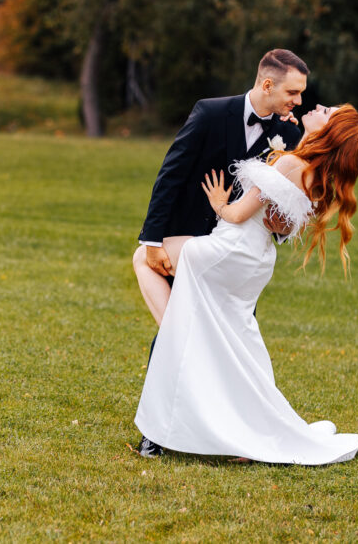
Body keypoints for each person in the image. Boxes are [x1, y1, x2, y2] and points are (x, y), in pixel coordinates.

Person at [133, 103, 358, 465]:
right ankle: (249, 421)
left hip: (230, 248)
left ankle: (180, 337)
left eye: (326, 112)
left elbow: (238, 214)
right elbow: (279, 225)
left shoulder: (290, 164)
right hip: (256, 261)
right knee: (239, 336)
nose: (317, 106)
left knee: (142, 257)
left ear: (328, 131)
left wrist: (219, 203)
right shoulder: (314, 176)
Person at [132, 49, 307, 457]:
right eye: (292, 92)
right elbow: (172, 173)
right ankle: (158, 433)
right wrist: (153, 239)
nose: (298, 101)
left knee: (233, 342)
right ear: (267, 84)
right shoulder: (210, 113)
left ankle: (239, 431)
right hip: (193, 239)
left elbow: (284, 211)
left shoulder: (289, 138)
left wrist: (274, 227)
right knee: (178, 328)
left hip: (239, 256)